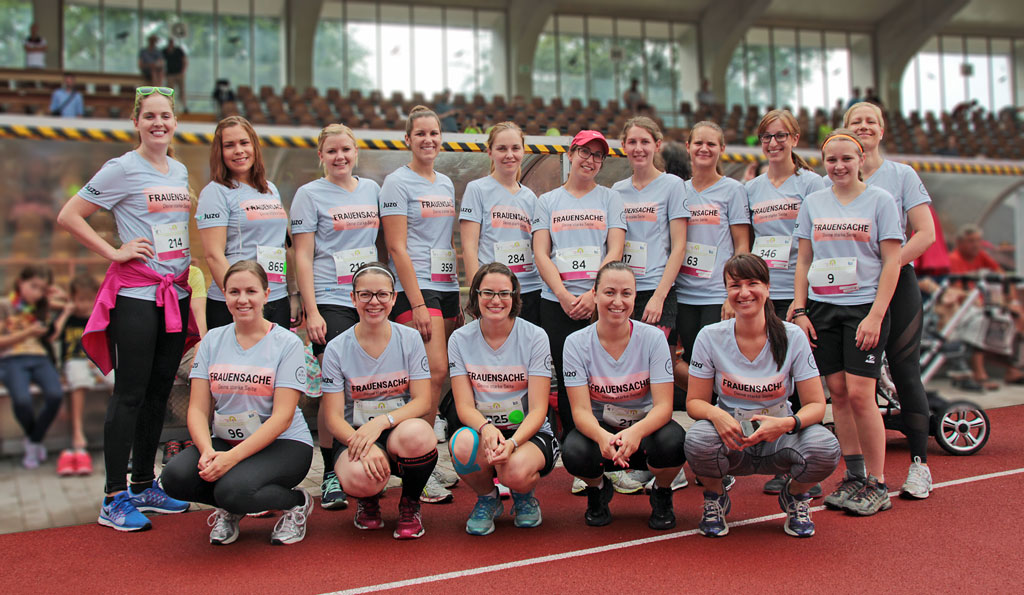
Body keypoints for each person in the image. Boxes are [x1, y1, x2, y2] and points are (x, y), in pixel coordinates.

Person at [57, 85, 195, 532]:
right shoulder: (121, 168)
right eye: (150, 116)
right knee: (130, 394)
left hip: (174, 293)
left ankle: (143, 483)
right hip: (136, 295)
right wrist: (113, 252)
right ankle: (113, 496)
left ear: (175, 122)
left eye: (166, 116)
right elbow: (69, 215)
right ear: (136, 122)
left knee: (158, 391)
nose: (158, 123)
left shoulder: (178, 170)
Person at [685, 254, 840, 538]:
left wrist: (786, 424)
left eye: (752, 283)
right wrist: (716, 414)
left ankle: (794, 496)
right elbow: (694, 402)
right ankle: (715, 498)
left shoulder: (792, 336)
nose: (743, 293)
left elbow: (817, 405)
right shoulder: (709, 336)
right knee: (697, 439)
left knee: (826, 447)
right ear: (727, 292)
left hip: (778, 439)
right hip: (733, 439)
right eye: (734, 286)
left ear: (767, 288)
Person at [162, 260, 314, 546]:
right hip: (225, 440)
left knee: (233, 490)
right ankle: (231, 507)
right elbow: (196, 409)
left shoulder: (287, 343)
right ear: (224, 295)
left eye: (251, 291)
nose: (242, 299)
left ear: (266, 294)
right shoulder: (212, 341)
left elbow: (282, 418)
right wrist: (207, 451)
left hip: (283, 443)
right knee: (175, 477)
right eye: (234, 292)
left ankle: (295, 502)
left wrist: (230, 460)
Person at [791, 128, 902, 516]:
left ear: (861, 161)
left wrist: (876, 314)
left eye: (846, 159)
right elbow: (804, 260)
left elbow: (892, 262)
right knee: (836, 391)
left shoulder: (880, 200)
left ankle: (878, 481)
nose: (839, 166)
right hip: (823, 307)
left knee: (859, 394)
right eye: (831, 160)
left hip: (863, 308)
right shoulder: (814, 202)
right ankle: (854, 475)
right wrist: (801, 309)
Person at [844, 102, 938, 499]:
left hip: (897, 283)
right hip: (847, 291)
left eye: (871, 121)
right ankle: (856, 472)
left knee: (904, 369)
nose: (864, 126)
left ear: (881, 131)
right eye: (856, 122)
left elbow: (925, 233)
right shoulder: (835, 174)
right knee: (848, 384)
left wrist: (888, 264)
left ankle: (919, 465)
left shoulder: (901, 175)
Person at [292, 123, 382, 510]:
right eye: (331, 151)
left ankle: (367, 463)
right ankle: (330, 472)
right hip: (331, 300)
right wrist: (310, 311)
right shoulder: (308, 195)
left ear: (356, 152)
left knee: (367, 385)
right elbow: (302, 256)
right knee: (337, 390)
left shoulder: (372, 190)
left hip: (370, 299)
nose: (340, 157)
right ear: (321, 156)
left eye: (346, 149)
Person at [560, 262, 684, 529]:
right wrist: (603, 437)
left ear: (635, 297)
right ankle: (597, 490)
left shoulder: (653, 339)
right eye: (609, 292)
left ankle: (662, 491)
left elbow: (664, 406)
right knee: (574, 450)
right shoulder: (576, 343)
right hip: (602, 432)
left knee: (675, 441)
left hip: (644, 430)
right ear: (594, 294)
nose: (618, 301)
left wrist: (636, 433)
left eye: (626, 293)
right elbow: (580, 411)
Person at [320, 263, 440, 540]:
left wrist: (381, 424)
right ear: (353, 298)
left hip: (397, 431)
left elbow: (423, 402)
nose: (374, 302)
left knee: (420, 435)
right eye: (365, 295)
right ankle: (368, 500)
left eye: (382, 295)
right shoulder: (337, 348)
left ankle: (410, 502)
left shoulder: (409, 339)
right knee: (357, 476)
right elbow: (334, 418)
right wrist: (362, 444)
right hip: (356, 435)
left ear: (394, 298)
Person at [380, 105, 461, 505]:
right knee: (434, 371)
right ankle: (419, 464)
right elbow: (396, 246)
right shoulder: (397, 183)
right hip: (416, 288)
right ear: (407, 139)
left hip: (446, 285)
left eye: (434, 133)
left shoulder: (445, 182)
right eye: (421, 134)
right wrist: (413, 299)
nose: (428, 140)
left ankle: (425, 456)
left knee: (438, 376)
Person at [745, 109, 826, 496]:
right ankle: (773, 457)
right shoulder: (752, 189)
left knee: (798, 381)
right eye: (766, 137)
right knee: (770, 376)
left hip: (798, 293)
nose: (773, 143)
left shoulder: (812, 184)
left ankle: (804, 466)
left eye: (780, 136)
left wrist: (800, 303)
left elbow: (815, 246)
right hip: (762, 292)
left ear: (794, 138)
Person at [447, 263, 556, 535]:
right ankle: (488, 499)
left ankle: (523, 495)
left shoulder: (535, 336)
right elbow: (463, 406)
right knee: (461, 444)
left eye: (504, 294)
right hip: (483, 429)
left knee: (514, 473)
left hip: (527, 433)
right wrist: (486, 429)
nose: (496, 300)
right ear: (475, 296)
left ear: (514, 297)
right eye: (488, 293)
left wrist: (514, 442)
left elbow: (540, 408)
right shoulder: (459, 339)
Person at [533, 130, 626, 441]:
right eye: (585, 152)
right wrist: (563, 296)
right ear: (570, 154)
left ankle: (611, 442)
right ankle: (576, 445)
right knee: (567, 373)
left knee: (602, 374)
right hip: (557, 301)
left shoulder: (610, 198)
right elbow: (540, 253)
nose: (591, 160)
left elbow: (615, 250)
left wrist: (594, 295)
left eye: (598, 155)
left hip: (599, 301)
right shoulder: (547, 201)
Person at [673, 121, 750, 406]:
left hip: (716, 293)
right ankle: (705, 415)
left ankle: (729, 411)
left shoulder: (733, 190)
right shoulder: (677, 190)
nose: (704, 149)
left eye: (711, 144)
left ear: (722, 149)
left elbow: (742, 245)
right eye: (698, 143)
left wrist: (734, 291)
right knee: (692, 360)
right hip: (683, 293)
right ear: (688, 147)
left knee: (721, 358)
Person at [197, 116, 290, 331]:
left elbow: (280, 246)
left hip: (276, 297)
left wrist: (291, 293)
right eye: (229, 145)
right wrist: (241, 300)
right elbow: (213, 255)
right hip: (239, 305)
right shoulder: (215, 192)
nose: (239, 150)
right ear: (219, 153)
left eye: (244, 143)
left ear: (254, 147)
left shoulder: (270, 189)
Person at [459, 122, 543, 324]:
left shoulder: (530, 197)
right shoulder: (477, 189)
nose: (509, 155)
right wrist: (476, 293)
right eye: (502, 148)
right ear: (489, 152)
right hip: (494, 292)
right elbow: (469, 247)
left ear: (523, 151)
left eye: (515, 148)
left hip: (529, 289)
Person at [613, 116, 688, 337]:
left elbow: (679, 247)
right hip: (624, 291)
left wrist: (659, 296)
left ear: (657, 145)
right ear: (624, 146)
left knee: (654, 364)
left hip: (657, 290)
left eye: (645, 142)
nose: (638, 149)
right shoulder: (617, 190)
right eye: (632, 142)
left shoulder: (673, 185)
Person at [0, 266, 63, 470]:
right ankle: (34, 440)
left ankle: (33, 441)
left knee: (55, 395)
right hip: (12, 359)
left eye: (41, 289)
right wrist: (28, 332)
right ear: (20, 283)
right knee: (22, 400)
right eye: (33, 286)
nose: (37, 292)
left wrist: (56, 295)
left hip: (39, 358)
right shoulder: (5, 304)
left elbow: (68, 305)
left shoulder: (41, 307)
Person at [948, 223, 1024, 387]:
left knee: (1017, 319)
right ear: (959, 243)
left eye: (977, 240)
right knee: (983, 322)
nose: (975, 245)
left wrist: (1013, 302)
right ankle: (979, 373)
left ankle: (1013, 368)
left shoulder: (981, 256)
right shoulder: (954, 259)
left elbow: (1003, 278)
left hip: (986, 305)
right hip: (964, 308)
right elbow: (956, 292)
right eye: (970, 241)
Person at [52, 274, 113, 476]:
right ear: (72, 298)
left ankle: (118, 428)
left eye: (88, 299)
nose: (84, 305)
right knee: (78, 381)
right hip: (75, 360)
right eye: (79, 300)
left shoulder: (99, 315)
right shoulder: (68, 317)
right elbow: (53, 335)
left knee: (116, 381)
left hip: (96, 360)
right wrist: (66, 311)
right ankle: (78, 432)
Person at [163, 38, 188, 113]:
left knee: (182, 91)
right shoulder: (165, 51)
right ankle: (170, 106)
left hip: (179, 73)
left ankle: (184, 106)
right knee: (170, 91)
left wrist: (183, 71)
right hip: (170, 74)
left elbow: (184, 60)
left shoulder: (178, 50)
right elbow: (162, 62)